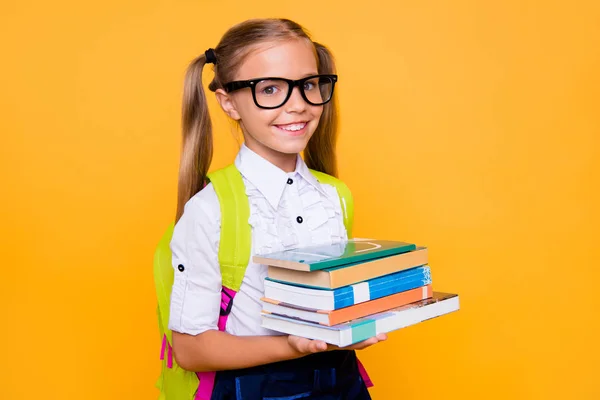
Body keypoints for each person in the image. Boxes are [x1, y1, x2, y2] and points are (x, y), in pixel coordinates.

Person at [168, 17, 387, 399]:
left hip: (342, 382)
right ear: (228, 102)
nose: (299, 105)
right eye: (269, 89)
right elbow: (189, 349)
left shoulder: (334, 195)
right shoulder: (210, 210)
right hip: (258, 388)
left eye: (308, 85)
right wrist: (293, 345)